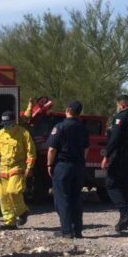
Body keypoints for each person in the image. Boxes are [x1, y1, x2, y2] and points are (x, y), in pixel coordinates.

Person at [101, 94, 128, 231]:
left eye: (117, 105)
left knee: (111, 183)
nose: (117, 108)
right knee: (126, 185)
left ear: (122, 105)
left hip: (120, 155)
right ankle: (124, 218)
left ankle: (125, 214)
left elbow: (115, 138)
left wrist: (106, 155)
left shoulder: (121, 117)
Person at [47, 101, 89, 238]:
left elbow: (52, 149)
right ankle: (77, 230)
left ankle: (66, 231)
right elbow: (86, 149)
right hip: (78, 166)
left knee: (62, 198)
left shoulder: (60, 127)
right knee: (76, 198)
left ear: (68, 110)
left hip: (63, 166)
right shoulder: (83, 128)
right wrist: (81, 162)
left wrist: (49, 165)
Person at [0, 110, 36, 230]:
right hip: (3, 168)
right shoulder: (0, 134)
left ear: (14, 122)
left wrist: (29, 167)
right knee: (3, 195)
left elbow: (31, 152)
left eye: (8, 123)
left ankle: (22, 212)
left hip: (17, 166)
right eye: (4, 124)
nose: (6, 126)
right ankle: (10, 222)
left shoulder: (23, 133)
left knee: (13, 191)